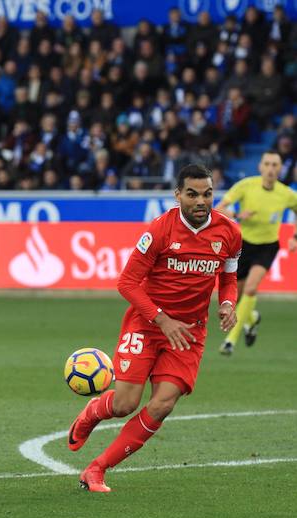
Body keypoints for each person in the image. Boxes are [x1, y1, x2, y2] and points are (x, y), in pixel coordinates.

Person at [68, 164, 241, 493]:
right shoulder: (161, 230)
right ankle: (92, 412)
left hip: (188, 332)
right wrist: (162, 319)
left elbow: (229, 279)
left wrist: (228, 303)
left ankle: (97, 469)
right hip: (147, 323)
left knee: (162, 405)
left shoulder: (230, 233)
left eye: (207, 193)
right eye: (192, 194)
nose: (201, 200)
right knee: (124, 405)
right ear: (178, 196)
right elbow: (127, 283)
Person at [217, 151, 297, 355]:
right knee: (239, 296)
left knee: (251, 288)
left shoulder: (286, 193)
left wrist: (294, 237)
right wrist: (236, 214)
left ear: (280, 169)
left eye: (275, 165)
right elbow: (219, 209)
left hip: (267, 246)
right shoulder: (246, 186)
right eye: (267, 164)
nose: (271, 169)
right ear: (260, 167)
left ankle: (230, 341)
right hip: (243, 245)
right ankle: (252, 319)